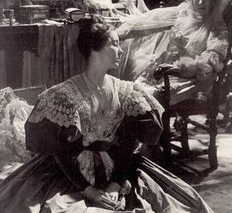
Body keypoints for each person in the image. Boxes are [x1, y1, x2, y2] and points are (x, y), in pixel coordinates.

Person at [0, 15, 214, 212]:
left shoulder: (127, 92)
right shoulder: (63, 96)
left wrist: (115, 184)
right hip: (71, 175)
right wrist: (87, 189)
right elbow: (60, 151)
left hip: (119, 170)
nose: (121, 51)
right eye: (115, 44)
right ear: (95, 48)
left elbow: (129, 144)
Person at [117, 0, 232, 107]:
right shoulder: (182, 12)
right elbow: (151, 20)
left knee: (146, 95)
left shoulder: (217, 26)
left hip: (189, 78)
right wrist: (120, 33)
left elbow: (213, 56)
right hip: (162, 68)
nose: (201, 2)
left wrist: (189, 64)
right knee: (133, 87)